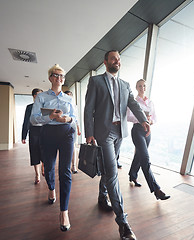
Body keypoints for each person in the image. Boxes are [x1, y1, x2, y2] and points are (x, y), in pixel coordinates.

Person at [84, 50, 150, 240]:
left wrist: (143, 120)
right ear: (105, 62)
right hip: (103, 133)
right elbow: (89, 108)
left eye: (119, 59)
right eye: (113, 58)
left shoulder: (125, 84)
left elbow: (133, 104)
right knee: (112, 173)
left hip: (120, 133)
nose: (117, 61)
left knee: (107, 170)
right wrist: (89, 133)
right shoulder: (96, 81)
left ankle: (101, 196)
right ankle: (123, 223)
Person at [30, 64, 76, 232]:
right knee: (49, 167)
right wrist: (50, 116)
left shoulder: (69, 99)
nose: (59, 78)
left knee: (65, 171)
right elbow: (34, 120)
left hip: (66, 134)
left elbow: (75, 118)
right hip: (48, 133)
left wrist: (68, 120)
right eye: (56, 75)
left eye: (62, 76)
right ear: (50, 78)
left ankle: (64, 211)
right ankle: (51, 188)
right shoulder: (41, 97)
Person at [127, 79, 170, 201]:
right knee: (145, 158)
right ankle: (156, 189)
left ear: (146, 87)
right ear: (136, 88)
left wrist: (150, 120)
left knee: (139, 156)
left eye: (144, 86)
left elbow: (155, 117)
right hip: (137, 130)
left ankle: (132, 175)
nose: (142, 88)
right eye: (140, 86)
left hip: (147, 131)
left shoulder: (150, 102)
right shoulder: (134, 102)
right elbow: (128, 116)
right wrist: (141, 118)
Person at [21, 88, 44, 184]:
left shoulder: (45, 106)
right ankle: (37, 174)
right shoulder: (29, 107)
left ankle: (44, 167)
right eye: (39, 94)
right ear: (34, 96)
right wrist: (23, 135)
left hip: (44, 131)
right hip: (33, 131)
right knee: (34, 152)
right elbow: (26, 121)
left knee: (45, 151)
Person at [64, 90, 81, 174]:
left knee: (73, 146)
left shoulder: (74, 106)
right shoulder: (62, 104)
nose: (69, 96)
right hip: (64, 126)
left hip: (73, 125)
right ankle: (66, 165)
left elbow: (76, 118)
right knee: (66, 147)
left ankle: (74, 166)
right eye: (67, 95)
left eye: (70, 95)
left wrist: (78, 128)